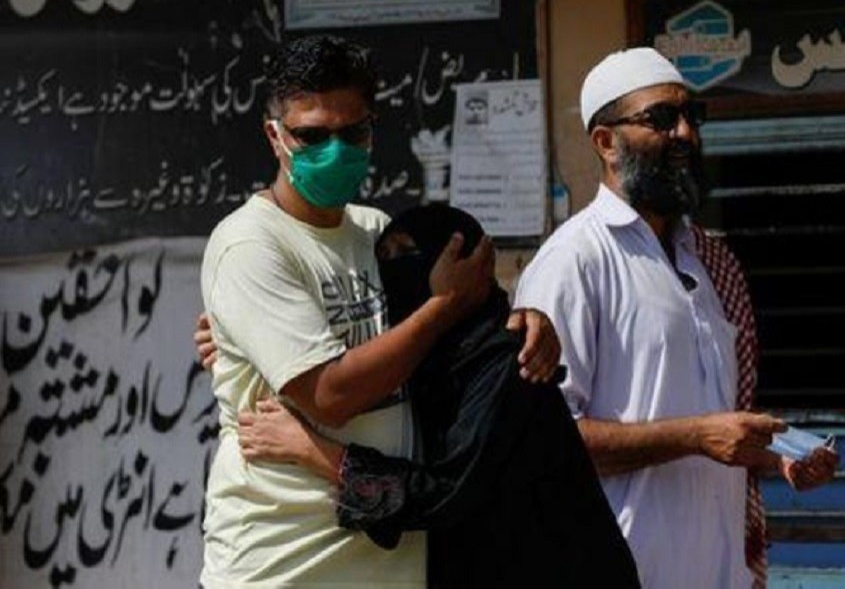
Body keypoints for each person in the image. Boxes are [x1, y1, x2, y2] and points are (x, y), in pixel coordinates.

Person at [198, 35, 559, 588]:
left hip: (391, 564)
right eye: (312, 136)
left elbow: (465, 337)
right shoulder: (252, 245)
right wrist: (441, 307)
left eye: (353, 133)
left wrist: (522, 321)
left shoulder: (381, 236)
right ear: (275, 137)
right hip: (282, 565)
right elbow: (331, 395)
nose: (335, 150)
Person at [512, 47, 840, 589]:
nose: (685, 134)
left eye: (693, 117)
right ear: (605, 142)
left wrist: (777, 458)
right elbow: (544, 442)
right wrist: (695, 436)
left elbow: (709, 425)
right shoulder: (574, 261)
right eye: (661, 119)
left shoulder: (705, 261)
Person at [236, 204, 641, 587]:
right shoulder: (424, 362)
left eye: (409, 252)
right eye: (386, 257)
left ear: (466, 268)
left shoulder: (508, 362)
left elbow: (446, 493)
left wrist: (312, 451)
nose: (395, 269)